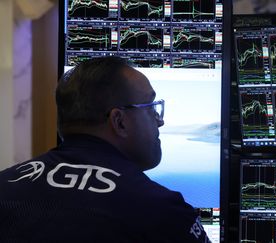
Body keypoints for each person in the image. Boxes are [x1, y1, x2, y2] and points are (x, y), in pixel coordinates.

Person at [0, 56, 210, 242]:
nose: (159, 120)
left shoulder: (5, 185)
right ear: (119, 121)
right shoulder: (160, 210)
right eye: (150, 107)